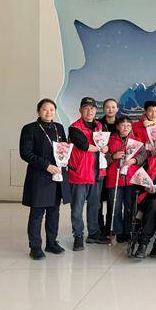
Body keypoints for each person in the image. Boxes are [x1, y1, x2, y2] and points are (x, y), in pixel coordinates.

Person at [19, 98, 71, 260]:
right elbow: (25, 153)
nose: (48, 112)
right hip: (39, 177)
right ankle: (35, 247)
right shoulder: (30, 129)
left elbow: (63, 148)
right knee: (37, 214)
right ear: (39, 111)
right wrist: (46, 165)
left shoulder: (59, 128)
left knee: (54, 212)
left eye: (51, 110)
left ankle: (51, 243)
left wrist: (64, 160)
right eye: (45, 109)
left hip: (57, 176)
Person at [68, 97, 109, 251]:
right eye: (86, 108)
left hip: (97, 172)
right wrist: (100, 148)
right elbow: (84, 145)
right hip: (80, 173)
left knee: (95, 206)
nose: (89, 111)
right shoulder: (74, 128)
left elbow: (105, 144)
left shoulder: (100, 126)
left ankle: (93, 233)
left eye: (92, 108)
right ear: (80, 110)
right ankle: (78, 235)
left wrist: (106, 148)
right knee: (77, 208)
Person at [105, 116, 147, 243]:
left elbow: (144, 154)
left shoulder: (136, 140)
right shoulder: (110, 139)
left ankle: (128, 231)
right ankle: (118, 231)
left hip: (130, 178)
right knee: (116, 207)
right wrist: (113, 156)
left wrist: (134, 160)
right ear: (117, 126)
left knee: (129, 206)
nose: (126, 128)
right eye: (123, 125)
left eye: (128, 125)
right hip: (114, 178)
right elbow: (104, 156)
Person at [97, 97, 119, 235]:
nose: (110, 109)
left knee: (112, 199)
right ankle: (99, 227)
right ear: (103, 109)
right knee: (98, 199)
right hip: (99, 166)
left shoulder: (122, 124)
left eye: (113, 107)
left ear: (117, 109)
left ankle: (110, 227)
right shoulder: (97, 124)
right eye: (107, 107)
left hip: (115, 167)